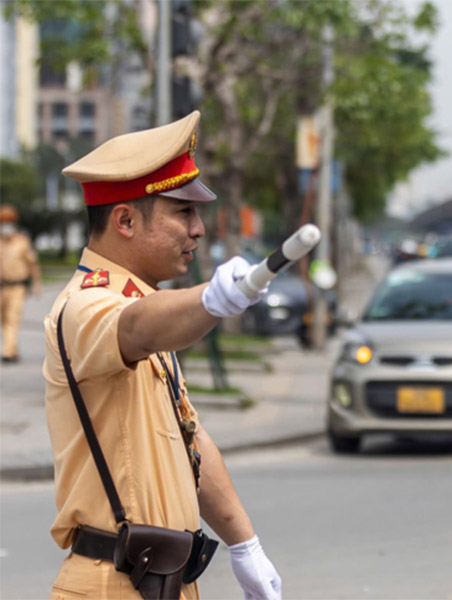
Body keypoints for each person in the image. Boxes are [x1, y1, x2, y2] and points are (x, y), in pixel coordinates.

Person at [44, 111, 282, 599]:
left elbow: (188, 440)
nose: (198, 230)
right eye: (183, 213)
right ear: (125, 220)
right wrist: (210, 300)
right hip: (111, 585)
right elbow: (137, 327)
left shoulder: (137, 299)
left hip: (160, 582)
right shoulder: (85, 305)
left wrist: (245, 544)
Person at [0, 205, 41, 363]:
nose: (6, 226)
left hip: (17, 286)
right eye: (3, 222)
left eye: (8, 222)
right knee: (4, 319)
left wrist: (37, 284)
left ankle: (8, 352)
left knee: (12, 318)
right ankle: (13, 349)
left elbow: (32, 264)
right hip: (1, 286)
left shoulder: (22, 242)